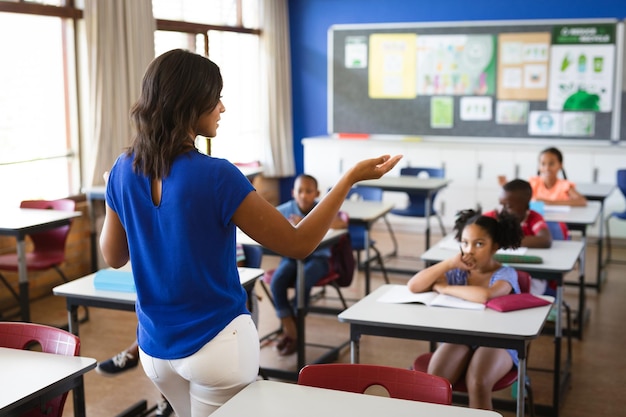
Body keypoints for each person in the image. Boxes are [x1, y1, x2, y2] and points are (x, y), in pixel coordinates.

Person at [99, 48, 402, 416]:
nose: (222, 108)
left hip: (155, 350)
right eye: (216, 98)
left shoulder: (121, 169)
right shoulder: (216, 175)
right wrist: (349, 179)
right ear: (191, 103)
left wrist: (115, 197)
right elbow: (299, 243)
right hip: (216, 344)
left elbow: (113, 256)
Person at [94, 244, 251, 416]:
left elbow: (239, 271)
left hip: (202, 320)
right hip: (176, 327)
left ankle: (133, 355)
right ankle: (160, 394)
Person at [406, 209, 523, 410]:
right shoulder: (458, 271)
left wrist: (444, 288)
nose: (469, 250)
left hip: (498, 341)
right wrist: (449, 263)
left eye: (479, 244)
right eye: (465, 243)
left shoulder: (506, 273)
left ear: (495, 246)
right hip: (461, 336)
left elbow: (485, 295)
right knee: (436, 381)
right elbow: (414, 286)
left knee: (478, 383)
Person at [270, 174, 348, 356]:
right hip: (291, 257)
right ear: (293, 193)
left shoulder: (323, 208)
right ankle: (290, 327)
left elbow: (342, 222)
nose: (303, 195)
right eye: (299, 191)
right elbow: (269, 222)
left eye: (308, 191)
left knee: (302, 283)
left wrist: (304, 224)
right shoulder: (286, 209)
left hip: (319, 259)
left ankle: (293, 332)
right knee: (277, 281)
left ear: (317, 193)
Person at [483, 178, 556, 296]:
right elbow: (473, 228)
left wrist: (506, 240)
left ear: (526, 206)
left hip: (531, 273)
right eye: (501, 204)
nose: (503, 210)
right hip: (498, 271)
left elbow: (545, 240)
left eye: (509, 206)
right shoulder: (496, 215)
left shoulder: (533, 218)